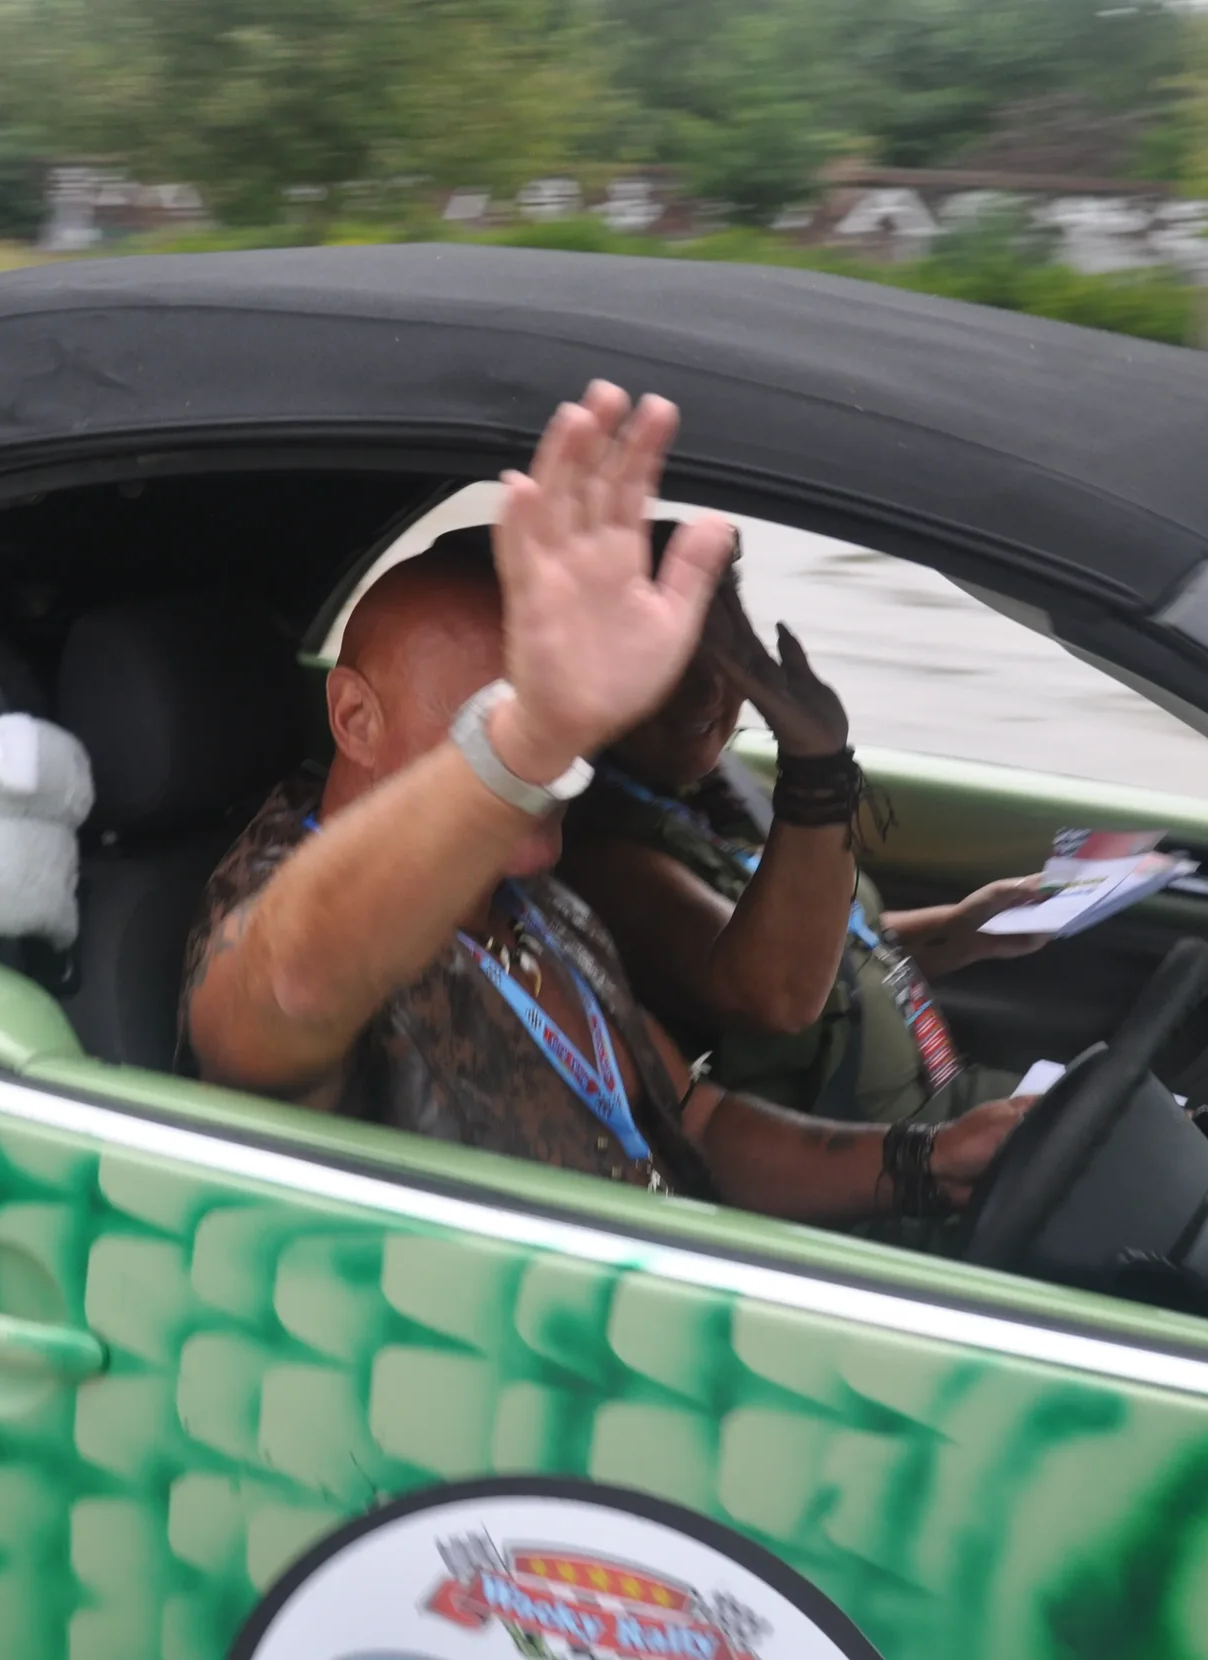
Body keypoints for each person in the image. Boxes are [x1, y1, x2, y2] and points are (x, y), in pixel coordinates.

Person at [181, 381, 1032, 1227]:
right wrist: (527, 738)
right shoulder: (275, 900)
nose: (565, 760)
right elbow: (289, 985)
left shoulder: (542, 906)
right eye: (491, 716)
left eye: (575, 720)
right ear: (355, 718)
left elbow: (700, 1125)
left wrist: (925, 1164)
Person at [560, 554, 1045, 1127]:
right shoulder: (598, 854)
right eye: (666, 666)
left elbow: (828, 953)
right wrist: (817, 767)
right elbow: (780, 992)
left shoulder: (717, 788)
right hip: (879, 1161)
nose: (705, 696)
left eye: (726, 662)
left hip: (944, 1102)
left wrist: (959, 930)